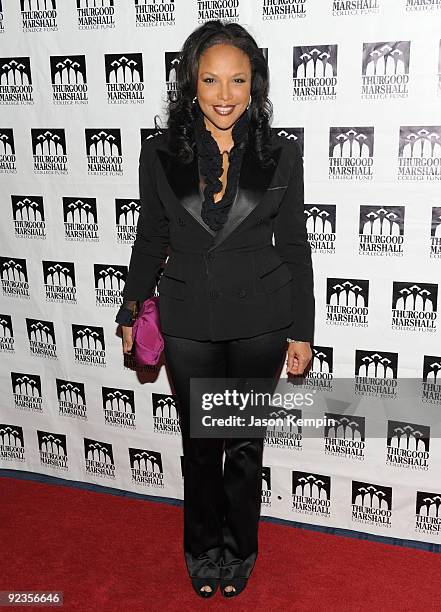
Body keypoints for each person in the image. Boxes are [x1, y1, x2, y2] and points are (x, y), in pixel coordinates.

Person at [115, 20, 315, 599]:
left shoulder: (282, 155)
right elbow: (151, 238)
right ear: (190, 84)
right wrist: (131, 310)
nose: (225, 95)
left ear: (255, 84)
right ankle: (202, 548)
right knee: (201, 444)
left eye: (238, 80)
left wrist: (302, 330)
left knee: (245, 446)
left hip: (262, 321)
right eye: (211, 80)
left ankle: (240, 550)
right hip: (190, 321)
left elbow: (296, 247)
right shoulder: (160, 153)